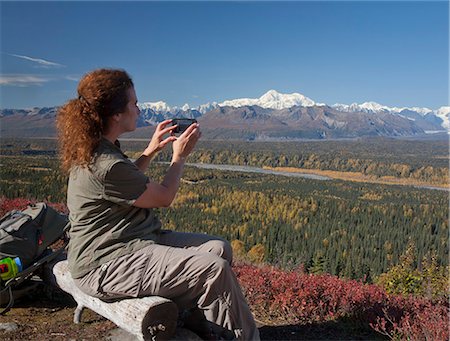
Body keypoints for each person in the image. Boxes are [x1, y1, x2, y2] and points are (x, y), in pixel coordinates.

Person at [56, 68, 260, 340]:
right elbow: (164, 197)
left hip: (130, 243)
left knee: (218, 249)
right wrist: (180, 157)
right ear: (116, 113)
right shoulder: (105, 162)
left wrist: (150, 152)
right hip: (104, 264)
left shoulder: (100, 148)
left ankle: (197, 323)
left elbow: (124, 184)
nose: (139, 110)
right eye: (134, 104)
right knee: (213, 269)